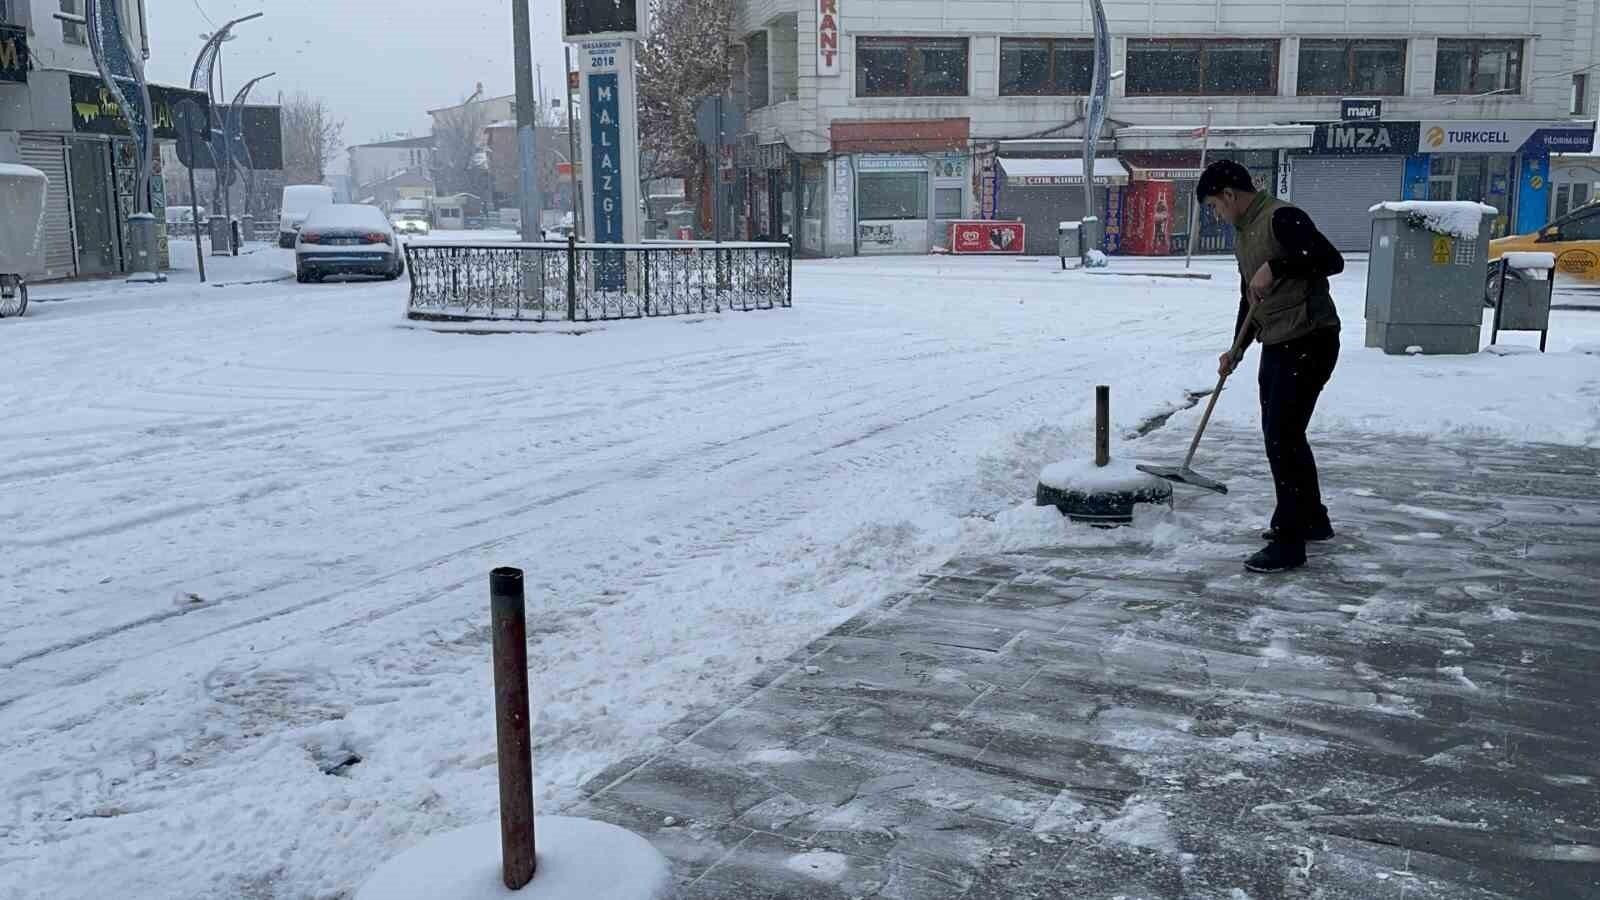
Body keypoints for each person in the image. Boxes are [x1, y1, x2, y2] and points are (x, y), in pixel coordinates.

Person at [1196, 160, 1344, 574]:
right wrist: (1237, 349)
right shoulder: (1246, 233)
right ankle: (1311, 518)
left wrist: (1276, 265)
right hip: (1279, 341)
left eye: (1214, 206)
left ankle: (1289, 541)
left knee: (1283, 437)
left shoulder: (1282, 217)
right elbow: (1252, 299)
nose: (1216, 215)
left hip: (1309, 338)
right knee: (1285, 434)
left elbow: (1330, 259)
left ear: (1229, 194)